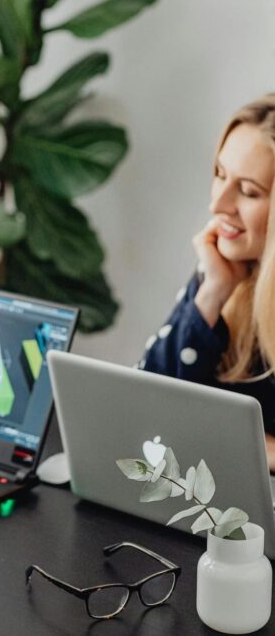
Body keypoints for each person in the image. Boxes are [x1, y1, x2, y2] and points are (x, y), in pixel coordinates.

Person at [139, 94, 275, 469]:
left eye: (248, 192)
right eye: (220, 174)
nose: (218, 204)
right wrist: (212, 293)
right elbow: (144, 403)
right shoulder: (223, 270)